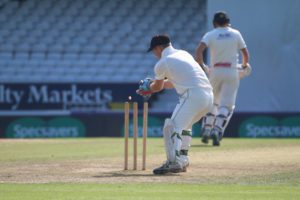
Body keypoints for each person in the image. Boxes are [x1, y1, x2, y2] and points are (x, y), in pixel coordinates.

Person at [137, 35, 213, 174]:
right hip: (208, 96)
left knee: (172, 126)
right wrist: (152, 85)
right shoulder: (183, 54)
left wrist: (148, 87)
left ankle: (173, 162)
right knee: (185, 127)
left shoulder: (162, 63)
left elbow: (157, 87)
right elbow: (173, 82)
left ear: (158, 48)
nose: (154, 54)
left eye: (154, 51)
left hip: (192, 95)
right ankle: (182, 160)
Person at [195, 11, 251, 146]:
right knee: (226, 105)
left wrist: (202, 66)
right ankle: (217, 130)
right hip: (231, 71)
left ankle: (207, 130)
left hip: (215, 71)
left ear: (214, 23)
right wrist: (243, 66)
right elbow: (245, 54)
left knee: (212, 102)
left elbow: (198, 51)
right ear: (228, 22)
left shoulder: (211, 34)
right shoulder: (235, 33)